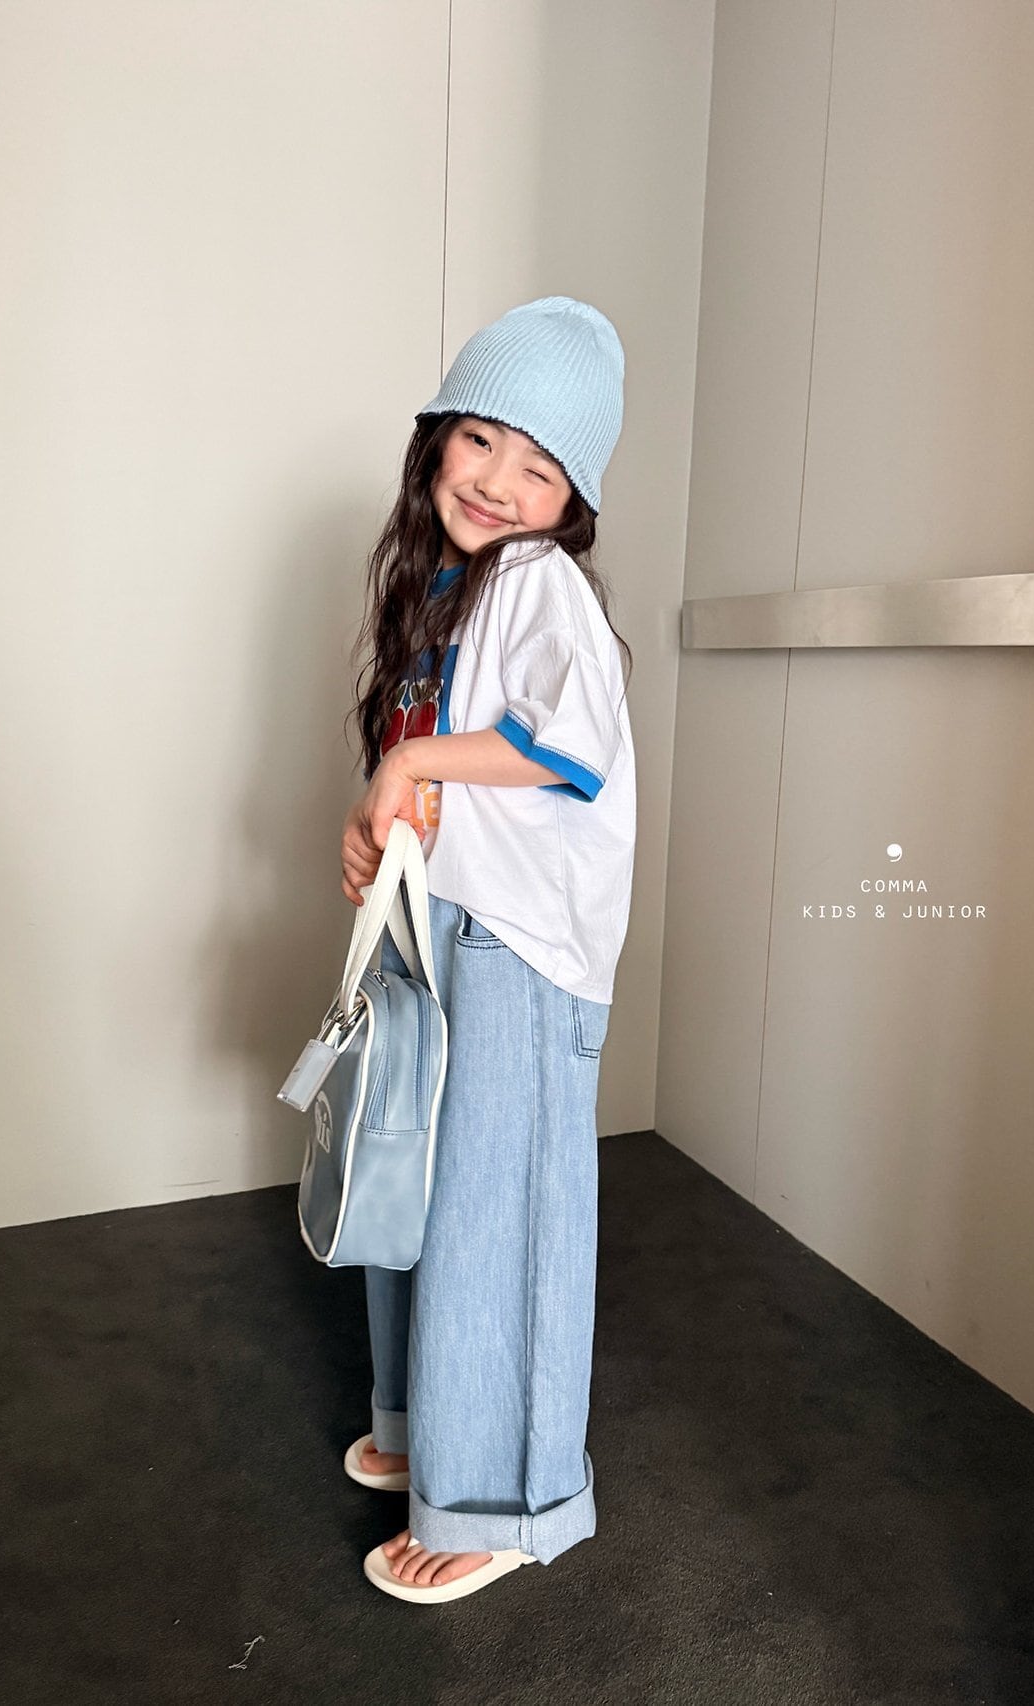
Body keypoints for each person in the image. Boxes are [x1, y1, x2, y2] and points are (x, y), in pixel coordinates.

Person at [337, 296, 637, 1602]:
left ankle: (502, 1500)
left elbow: (564, 748)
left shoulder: (540, 582)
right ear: (437, 441)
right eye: (481, 440)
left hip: (521, 946)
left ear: (571, 503)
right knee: (421, 1183)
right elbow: (453, 769)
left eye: (540, 466)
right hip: (452, 923)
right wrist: (383, 823)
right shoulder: (450, 590)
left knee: (495, 1213)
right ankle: (425, 1433)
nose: (501, 482)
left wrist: (406, 764)